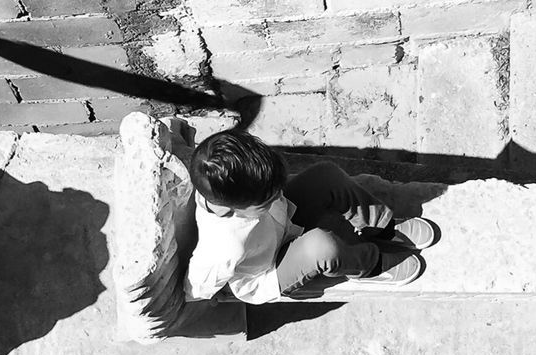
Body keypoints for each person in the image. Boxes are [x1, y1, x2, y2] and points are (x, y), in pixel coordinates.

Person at [184, 127, 436, 305]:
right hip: (273, 266)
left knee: (325, 175)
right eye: (267, 201)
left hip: (285, 222)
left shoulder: (239, 192)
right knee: (321, 246)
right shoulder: (222, 246)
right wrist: (213, 295)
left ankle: (384, 228)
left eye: (275, 193)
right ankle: (371, 266)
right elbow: (197, 286)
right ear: (231, 209)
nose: (275, 198)